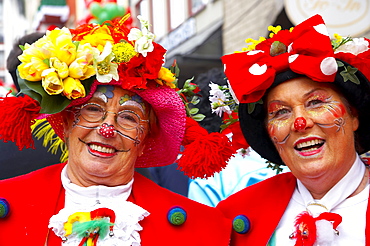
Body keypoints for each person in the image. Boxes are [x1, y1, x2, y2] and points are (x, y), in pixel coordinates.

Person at [0, 15, 232, 245]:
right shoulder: (8, 202)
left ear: (145, 140)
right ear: (67, 123)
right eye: (93, 109)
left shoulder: (202, 229)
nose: (107, 129)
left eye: (129, 117)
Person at [216, 14, 370, 245]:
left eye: (316, 103)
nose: (300, 122)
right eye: (280, 112)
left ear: (353, 116)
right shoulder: (235, 213)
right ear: (269, 132)